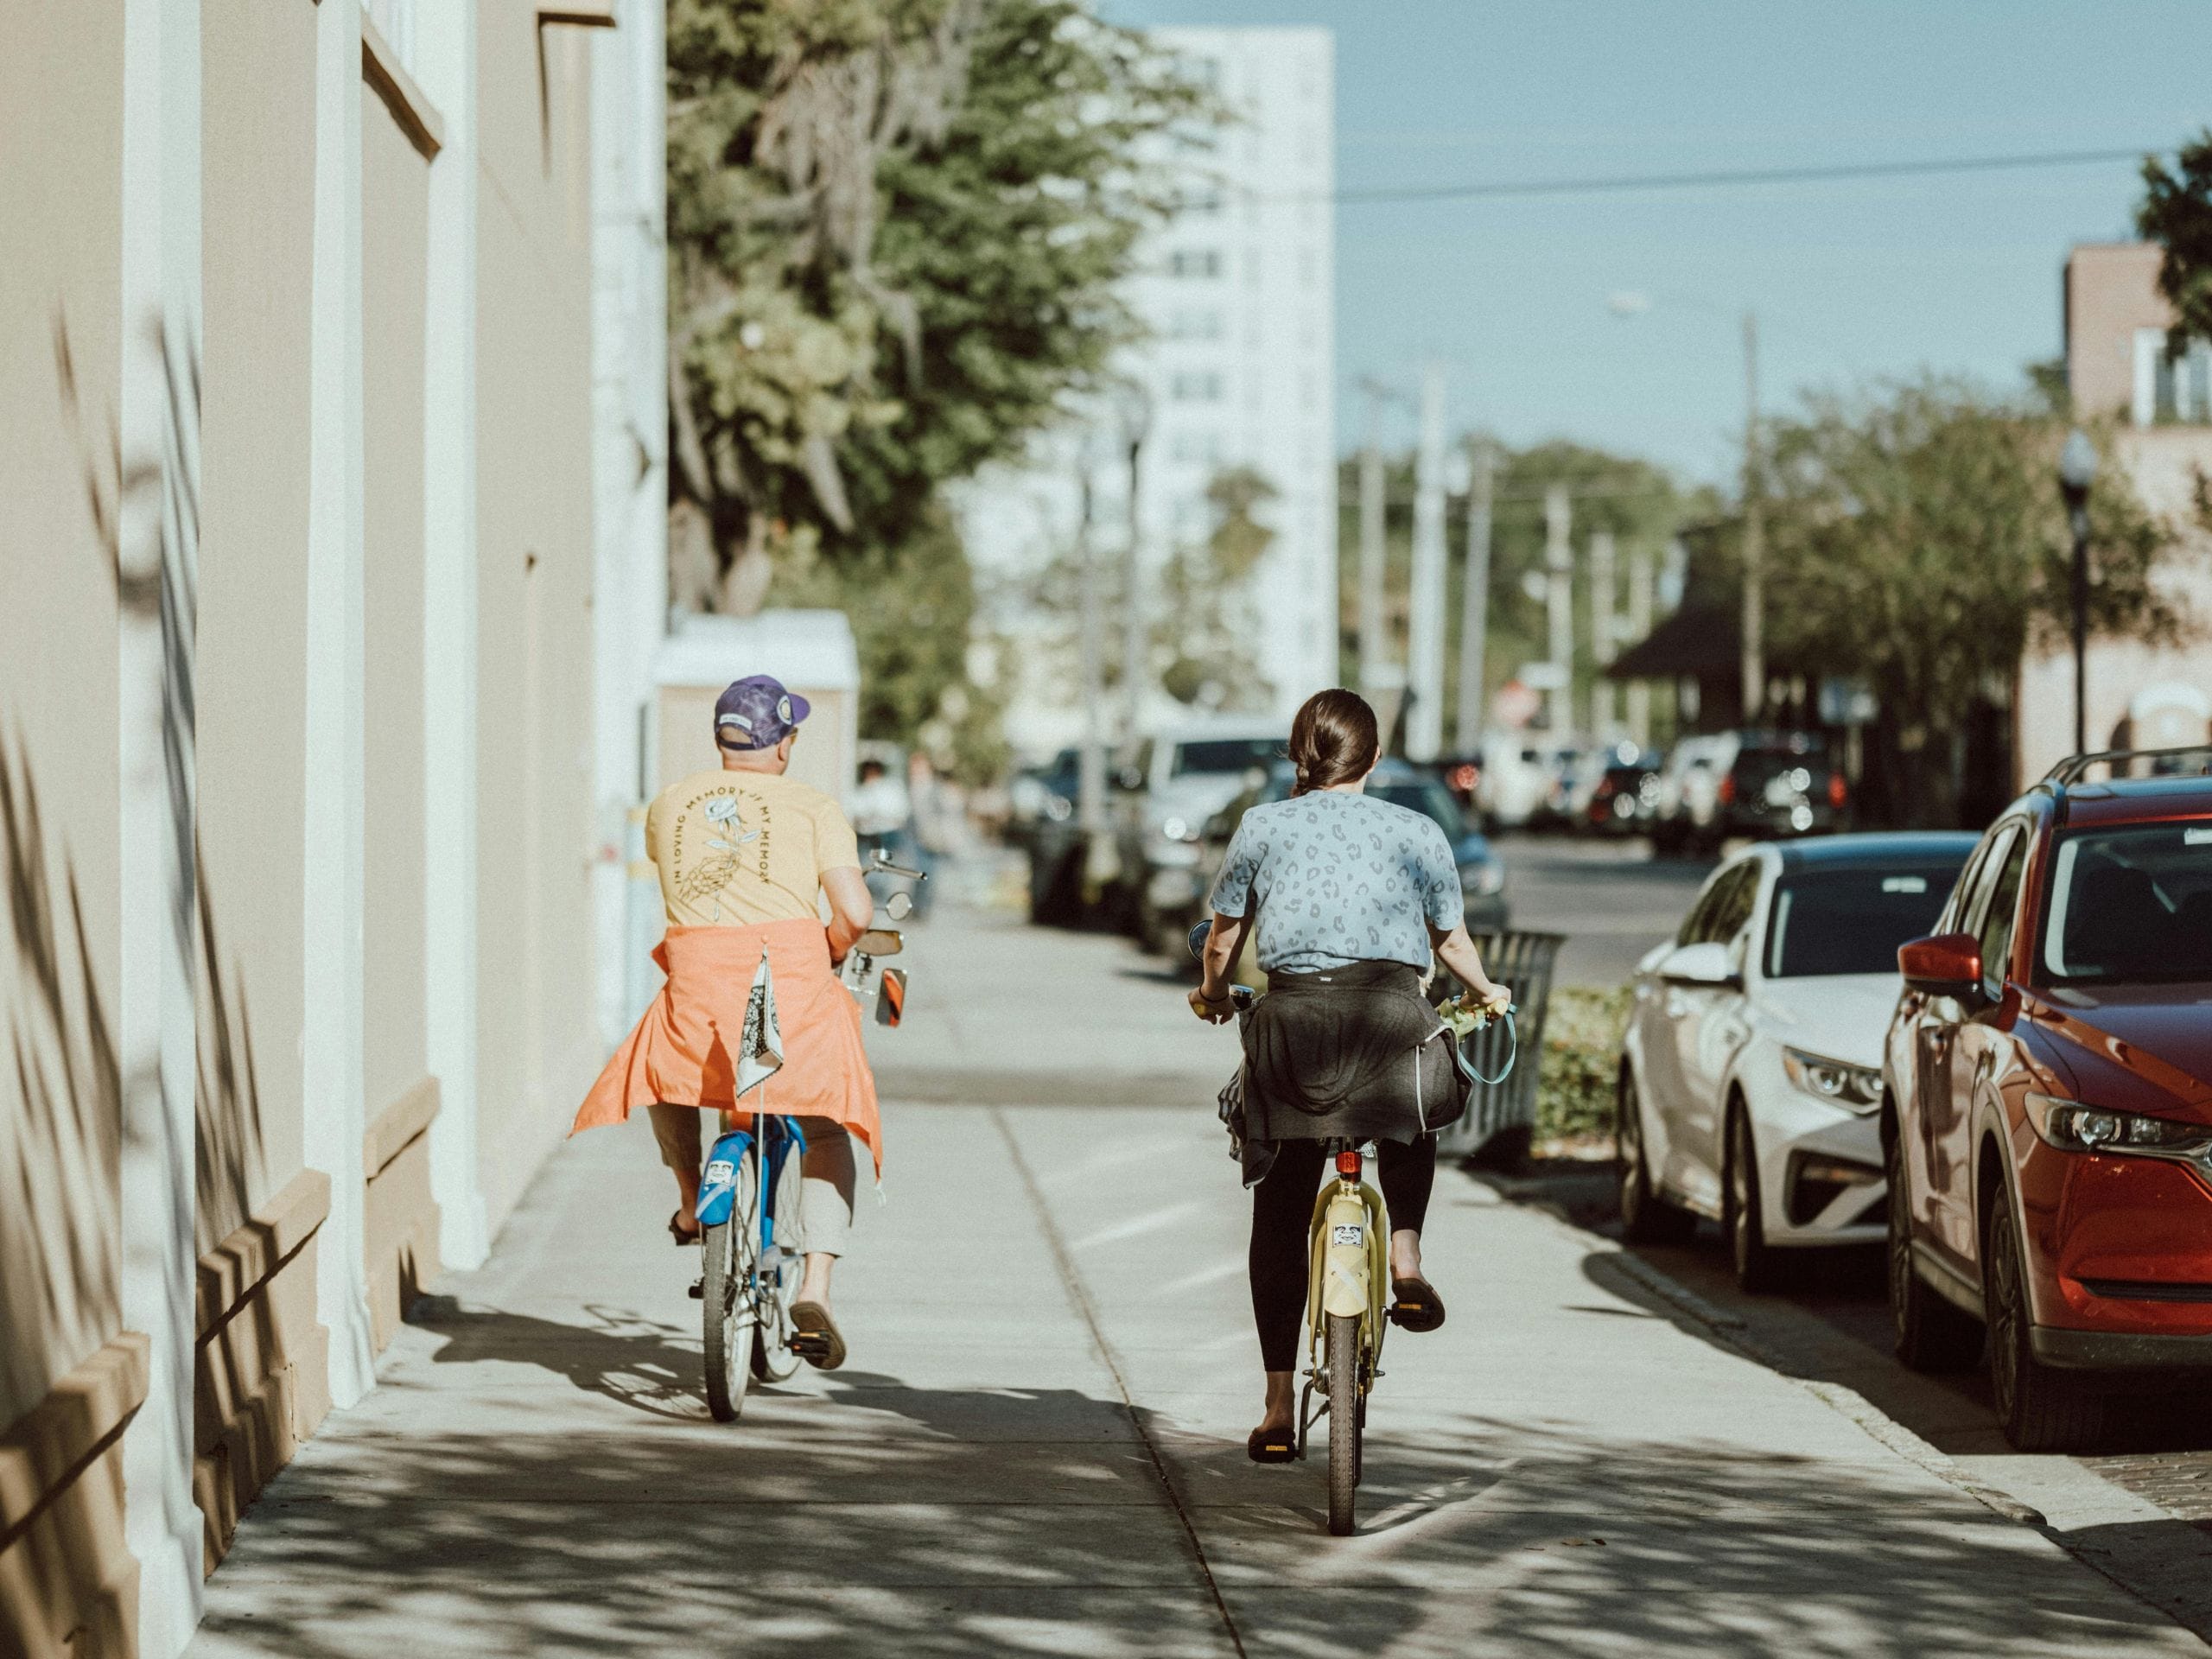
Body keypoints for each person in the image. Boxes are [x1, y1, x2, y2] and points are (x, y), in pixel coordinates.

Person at [1188, 687, 1511, 1462]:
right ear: (1371, 757)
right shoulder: (1417, 829)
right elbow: (1451, 939)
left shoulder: (1263, 826)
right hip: (1391, 1016)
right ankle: (1405, 1258)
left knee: (1280, 1207)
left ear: (1301, 753)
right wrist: (1485, 989)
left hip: (1294, 1026)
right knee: (1415, 1110)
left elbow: (1219, 941)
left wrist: (1211, 996)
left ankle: (1273, 1412)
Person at [574, 675, 879, 1370]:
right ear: (783, 743)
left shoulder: (671, 803)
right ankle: (818, 1290)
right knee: (827, 1124)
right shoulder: (814, 807)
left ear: (722, 740)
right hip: (787, 993)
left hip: (701, 990)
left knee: (666, 1076)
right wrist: (828, 946)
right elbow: (856, 914)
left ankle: (690, 1204)